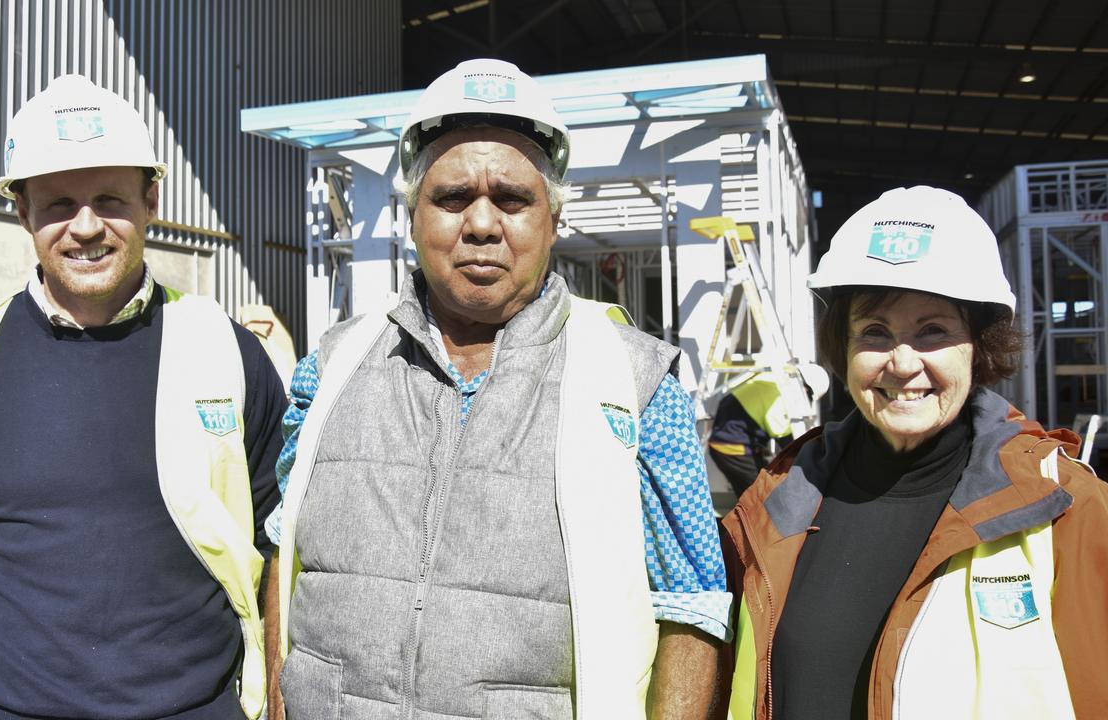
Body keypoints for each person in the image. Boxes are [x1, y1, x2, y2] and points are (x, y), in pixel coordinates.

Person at [260, 58, 729, 720]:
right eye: (452, 199)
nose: (481, 224)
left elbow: (691, 605)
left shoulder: (637, 385)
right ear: (412, 218)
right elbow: (289, 551)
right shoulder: (330, 368)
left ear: (552, 221)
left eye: (512, 199)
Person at [0, 75, 286, 719]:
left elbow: (277, 546)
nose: (86, 227)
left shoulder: (228, 354)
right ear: (22, 212)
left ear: (151, 199)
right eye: (59, 203)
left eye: (109, 199)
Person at [721, 186, 1108, 719]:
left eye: (933, 332)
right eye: (874, 332)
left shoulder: (1063, 507)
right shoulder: (779, 498)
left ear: (981, 345)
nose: (902, 363)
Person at [707, 365, 828, 497]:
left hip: (725, 442)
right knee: (761, 496)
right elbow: (785, 439)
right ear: (806, 389)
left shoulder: (773, 378)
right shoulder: (782, 397)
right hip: (733, 448)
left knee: (750, 494)